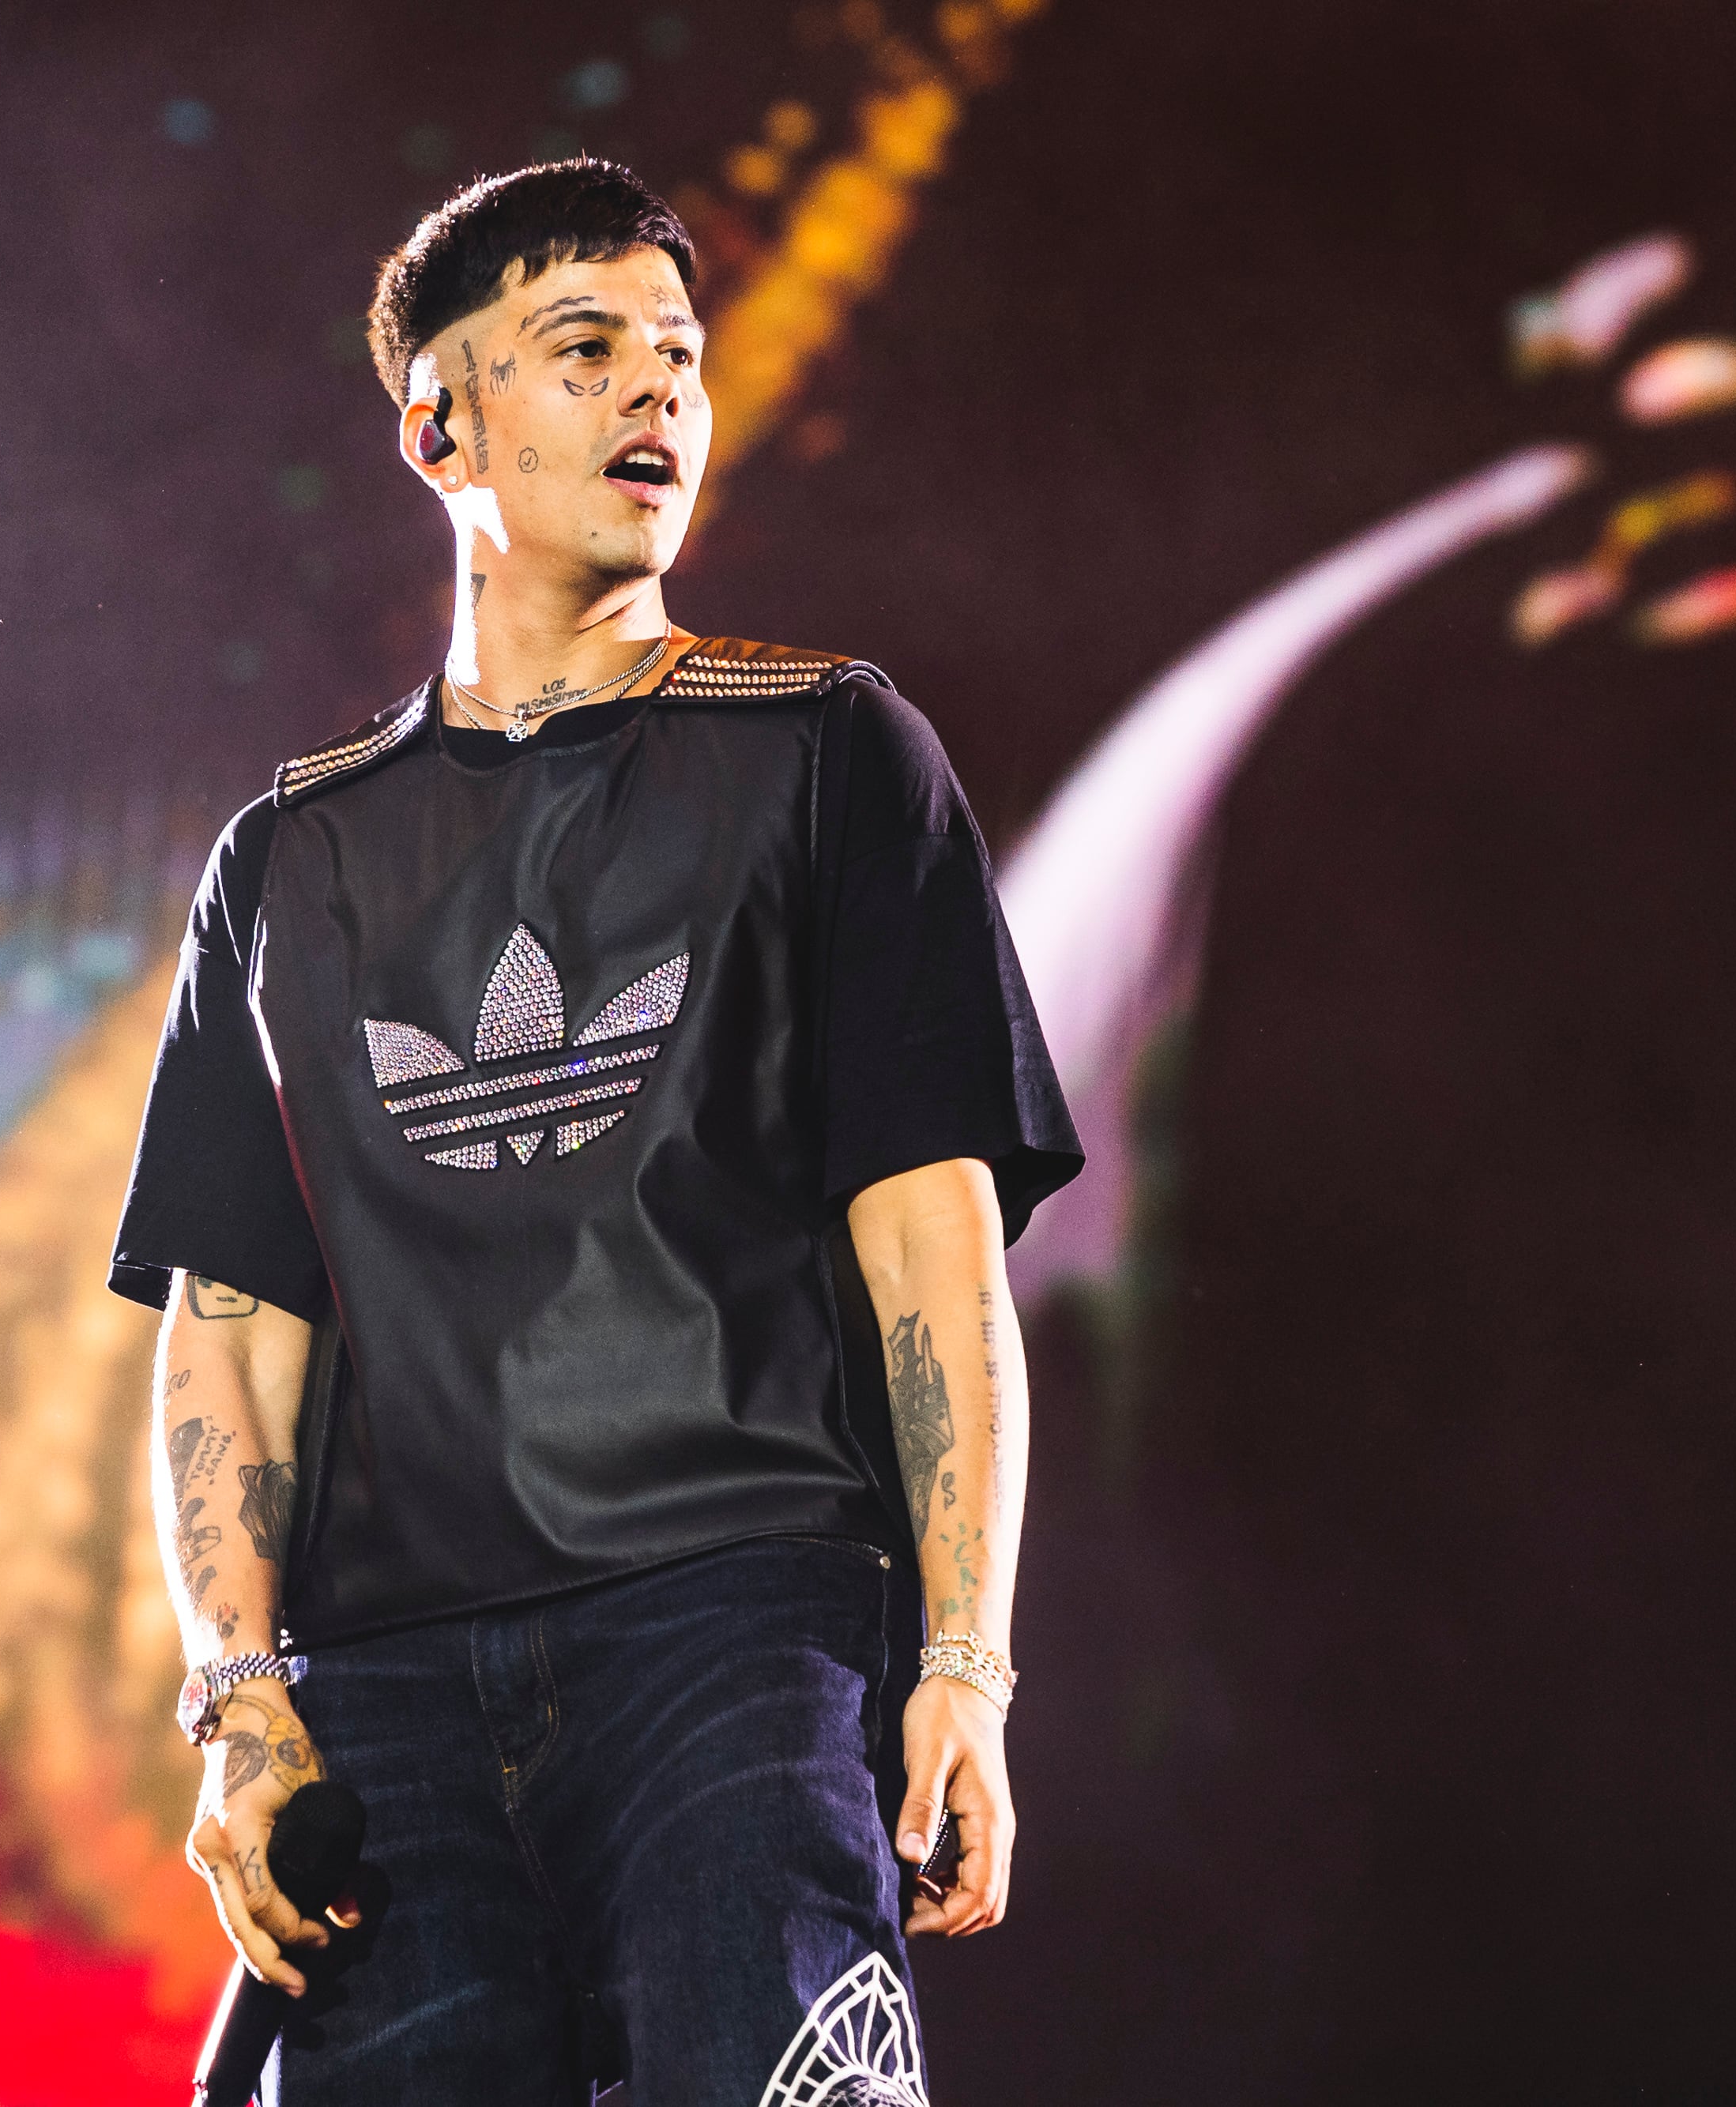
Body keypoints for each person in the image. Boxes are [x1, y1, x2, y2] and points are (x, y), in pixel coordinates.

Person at [107, 158, 1079, 2105]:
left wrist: (960, 1662)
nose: (655, 395)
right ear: (436, 423)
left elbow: (929, 1235)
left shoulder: (825, 752)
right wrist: (240, 1704)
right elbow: (230, 1324)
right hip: (382, 1684)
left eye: (679, 357)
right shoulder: (288, 859)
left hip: (732, 1626)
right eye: (584, 348)